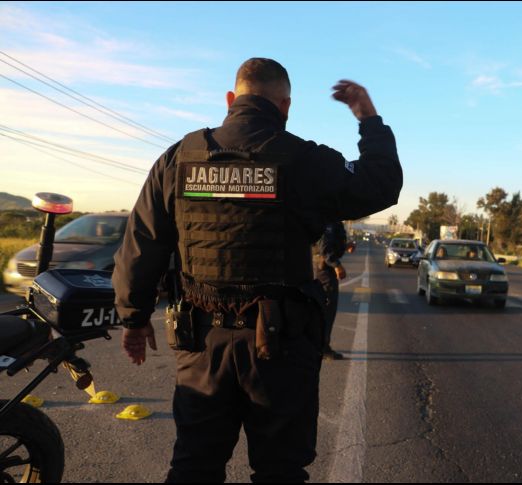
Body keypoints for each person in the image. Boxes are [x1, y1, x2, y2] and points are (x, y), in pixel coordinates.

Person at [112, 58, 402, 483]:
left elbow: (141, 245)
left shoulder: (178, 157)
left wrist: (134, 319)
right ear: (285, 106)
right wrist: (367, 116)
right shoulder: (305, 160)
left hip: (200, 342)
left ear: (231, 99)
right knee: (280, 470)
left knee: (194, 466)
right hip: (279, 346)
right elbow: (382, 184)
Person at [313, 221, 347, 361]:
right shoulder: (329, 220)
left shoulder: (332, 220)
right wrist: (337, 265)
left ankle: (320, 345)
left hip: (325, 269)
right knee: (327, 310)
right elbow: (325, 248)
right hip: (325, 271)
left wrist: (345, 247)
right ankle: (323, 348)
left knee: (325, 309)